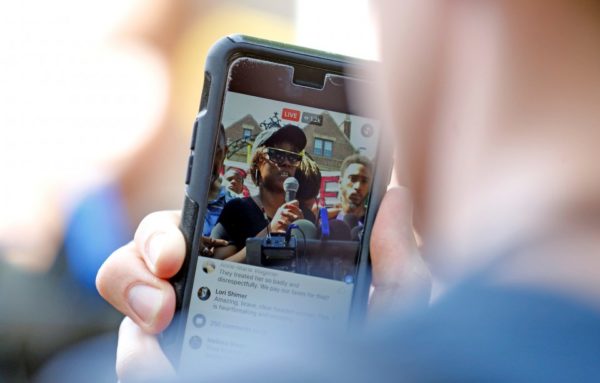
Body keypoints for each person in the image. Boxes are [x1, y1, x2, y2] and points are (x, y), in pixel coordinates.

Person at [97, 1, 600, 381]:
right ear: (258, 161)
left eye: (297, 155)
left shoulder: (328, 227)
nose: (289, 162)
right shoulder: (234, 212)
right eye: (279, 153)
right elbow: (216, 256)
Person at [210, 124, 316, 263]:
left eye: (292, 157)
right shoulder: (237, 210)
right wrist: (269, 231)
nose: (286, 162)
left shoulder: (306, 217)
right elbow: (214, 269)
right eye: (277, 154)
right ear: (258, 161)